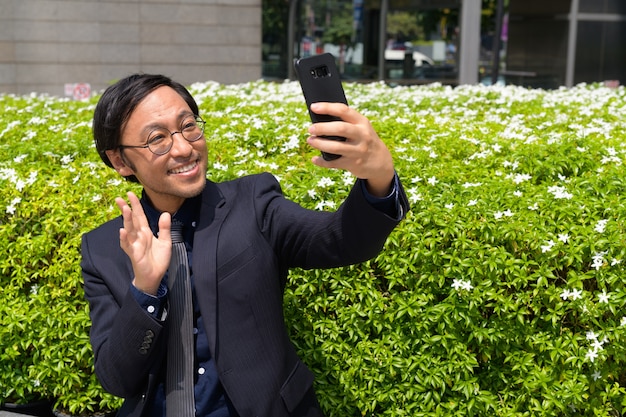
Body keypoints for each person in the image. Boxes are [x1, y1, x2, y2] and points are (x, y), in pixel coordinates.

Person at [81, 73, 409, 417]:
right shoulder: (103, 249)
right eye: (157, 139)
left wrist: (379, 177)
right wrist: (145, 291)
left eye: (188, 126)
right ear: (120, 161)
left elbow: (342, 241)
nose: (183, 148)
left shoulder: (253, 203)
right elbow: (116, 380)